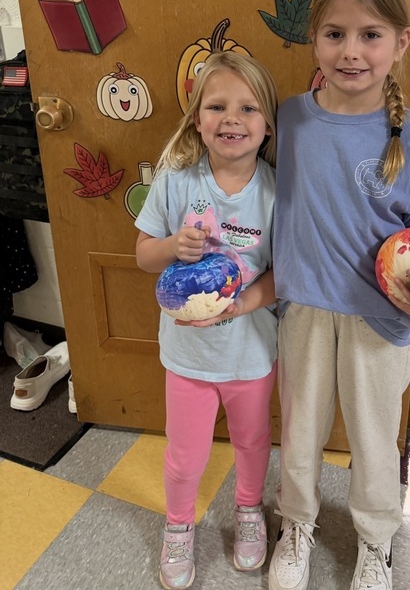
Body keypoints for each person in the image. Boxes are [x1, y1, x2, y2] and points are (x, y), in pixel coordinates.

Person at [269, 0, 410, 590]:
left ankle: (376, 541)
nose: (350, 52)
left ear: (401, 42)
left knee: (376, 440)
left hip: (380, 321)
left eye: (371, 35)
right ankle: (295, 525)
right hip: (301, 310)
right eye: (334, 33)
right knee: (299, 434)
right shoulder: (291, 121)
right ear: (314, 39)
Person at [135, 50, 279, 590]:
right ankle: (178, 525)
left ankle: (248, 510)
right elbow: (143, 255)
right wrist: (173, 245)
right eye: (216, 106)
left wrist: (242, 303)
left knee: (252, 441)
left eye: (248, 108)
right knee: (184, 454)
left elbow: (284, 275)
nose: (232, 119)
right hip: (188, 357)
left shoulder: (276, 191)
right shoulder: (176, 178)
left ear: (266, 125)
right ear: (198, 118)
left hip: (251, 354)